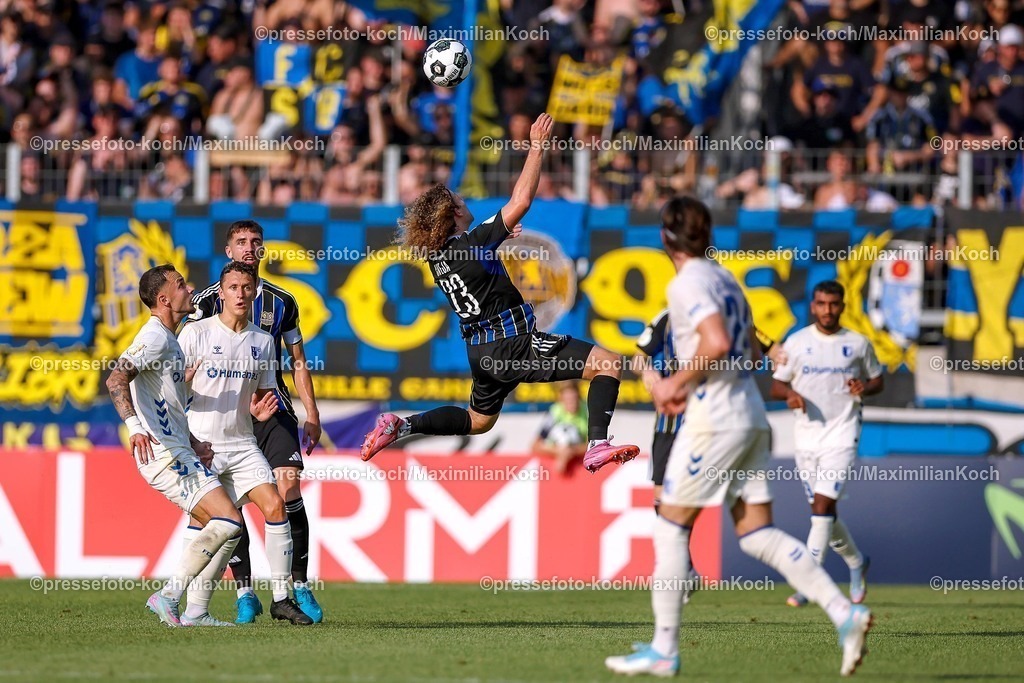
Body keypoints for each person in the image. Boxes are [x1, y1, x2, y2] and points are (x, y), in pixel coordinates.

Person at [604, 196, 872, 678]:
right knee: (755, 533)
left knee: (669, 525)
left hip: (715, 417)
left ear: (665, 237)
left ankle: (664, 651)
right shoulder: (725, 277)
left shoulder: (687, 282)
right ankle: (843, 612)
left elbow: (720, 342)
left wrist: (675, 382)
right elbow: (748, 342)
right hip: (749, 412)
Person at [360, 113, 639, 471]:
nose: (466, 201)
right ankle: (597, 444)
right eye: (460, 200)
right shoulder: (471, 243)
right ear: (455, 213)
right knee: (609, 363)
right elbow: (520, 201)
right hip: (514, 343)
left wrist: (498, 240)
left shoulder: (439, 258)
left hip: (481, 351)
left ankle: (403, 425)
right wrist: (537, 148)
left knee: (479, 421)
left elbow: (478, 268)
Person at [190, 220, 323, 624]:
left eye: (256, 242)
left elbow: (298, 360)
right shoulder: (206, 301)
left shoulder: (282, 301)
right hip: (221, 414)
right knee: (231, 502)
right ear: (229, 251)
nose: (250, 247)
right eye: (242, 242)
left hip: (271, 407)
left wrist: (312, 413)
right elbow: (185, 361)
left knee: (287, 484)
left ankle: (296, 584)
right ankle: (245, 590)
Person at [104, 264, 243, 627]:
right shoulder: (155, 337)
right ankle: (167, 596)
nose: (189, 288)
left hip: (178, 450)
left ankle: (196, 612)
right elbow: (116, 377)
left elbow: (166, 404)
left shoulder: (171, 341)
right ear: (164, 299)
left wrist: (194, 442)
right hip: (164, 456)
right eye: (181, 284)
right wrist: (134, 427)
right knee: (228, 520)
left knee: (221, 527)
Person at [770, 280, 883, 608]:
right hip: (807, 437)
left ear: (843, 306)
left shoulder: (858, 343)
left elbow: (878, 380)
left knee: (821, 508)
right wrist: (790, 395)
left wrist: (865, 386)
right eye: (821, 304)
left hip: (843, 433)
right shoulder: (797, 342)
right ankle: (857, 562)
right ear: (813, 306)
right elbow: (776, 386)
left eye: (834, 304)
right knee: (825, 515)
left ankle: (809, 581)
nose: (828, 310)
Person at [532, 381, 588, 475]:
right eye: (567, 399)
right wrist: (558, 451)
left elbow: (592, 446)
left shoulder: (587, 413)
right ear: (561, 399)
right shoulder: (554, 413)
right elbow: (535, 445)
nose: (571, 403)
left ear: (578, 396)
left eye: (573, 398)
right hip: (553, 456)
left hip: (579, 462)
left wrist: (572, 450)